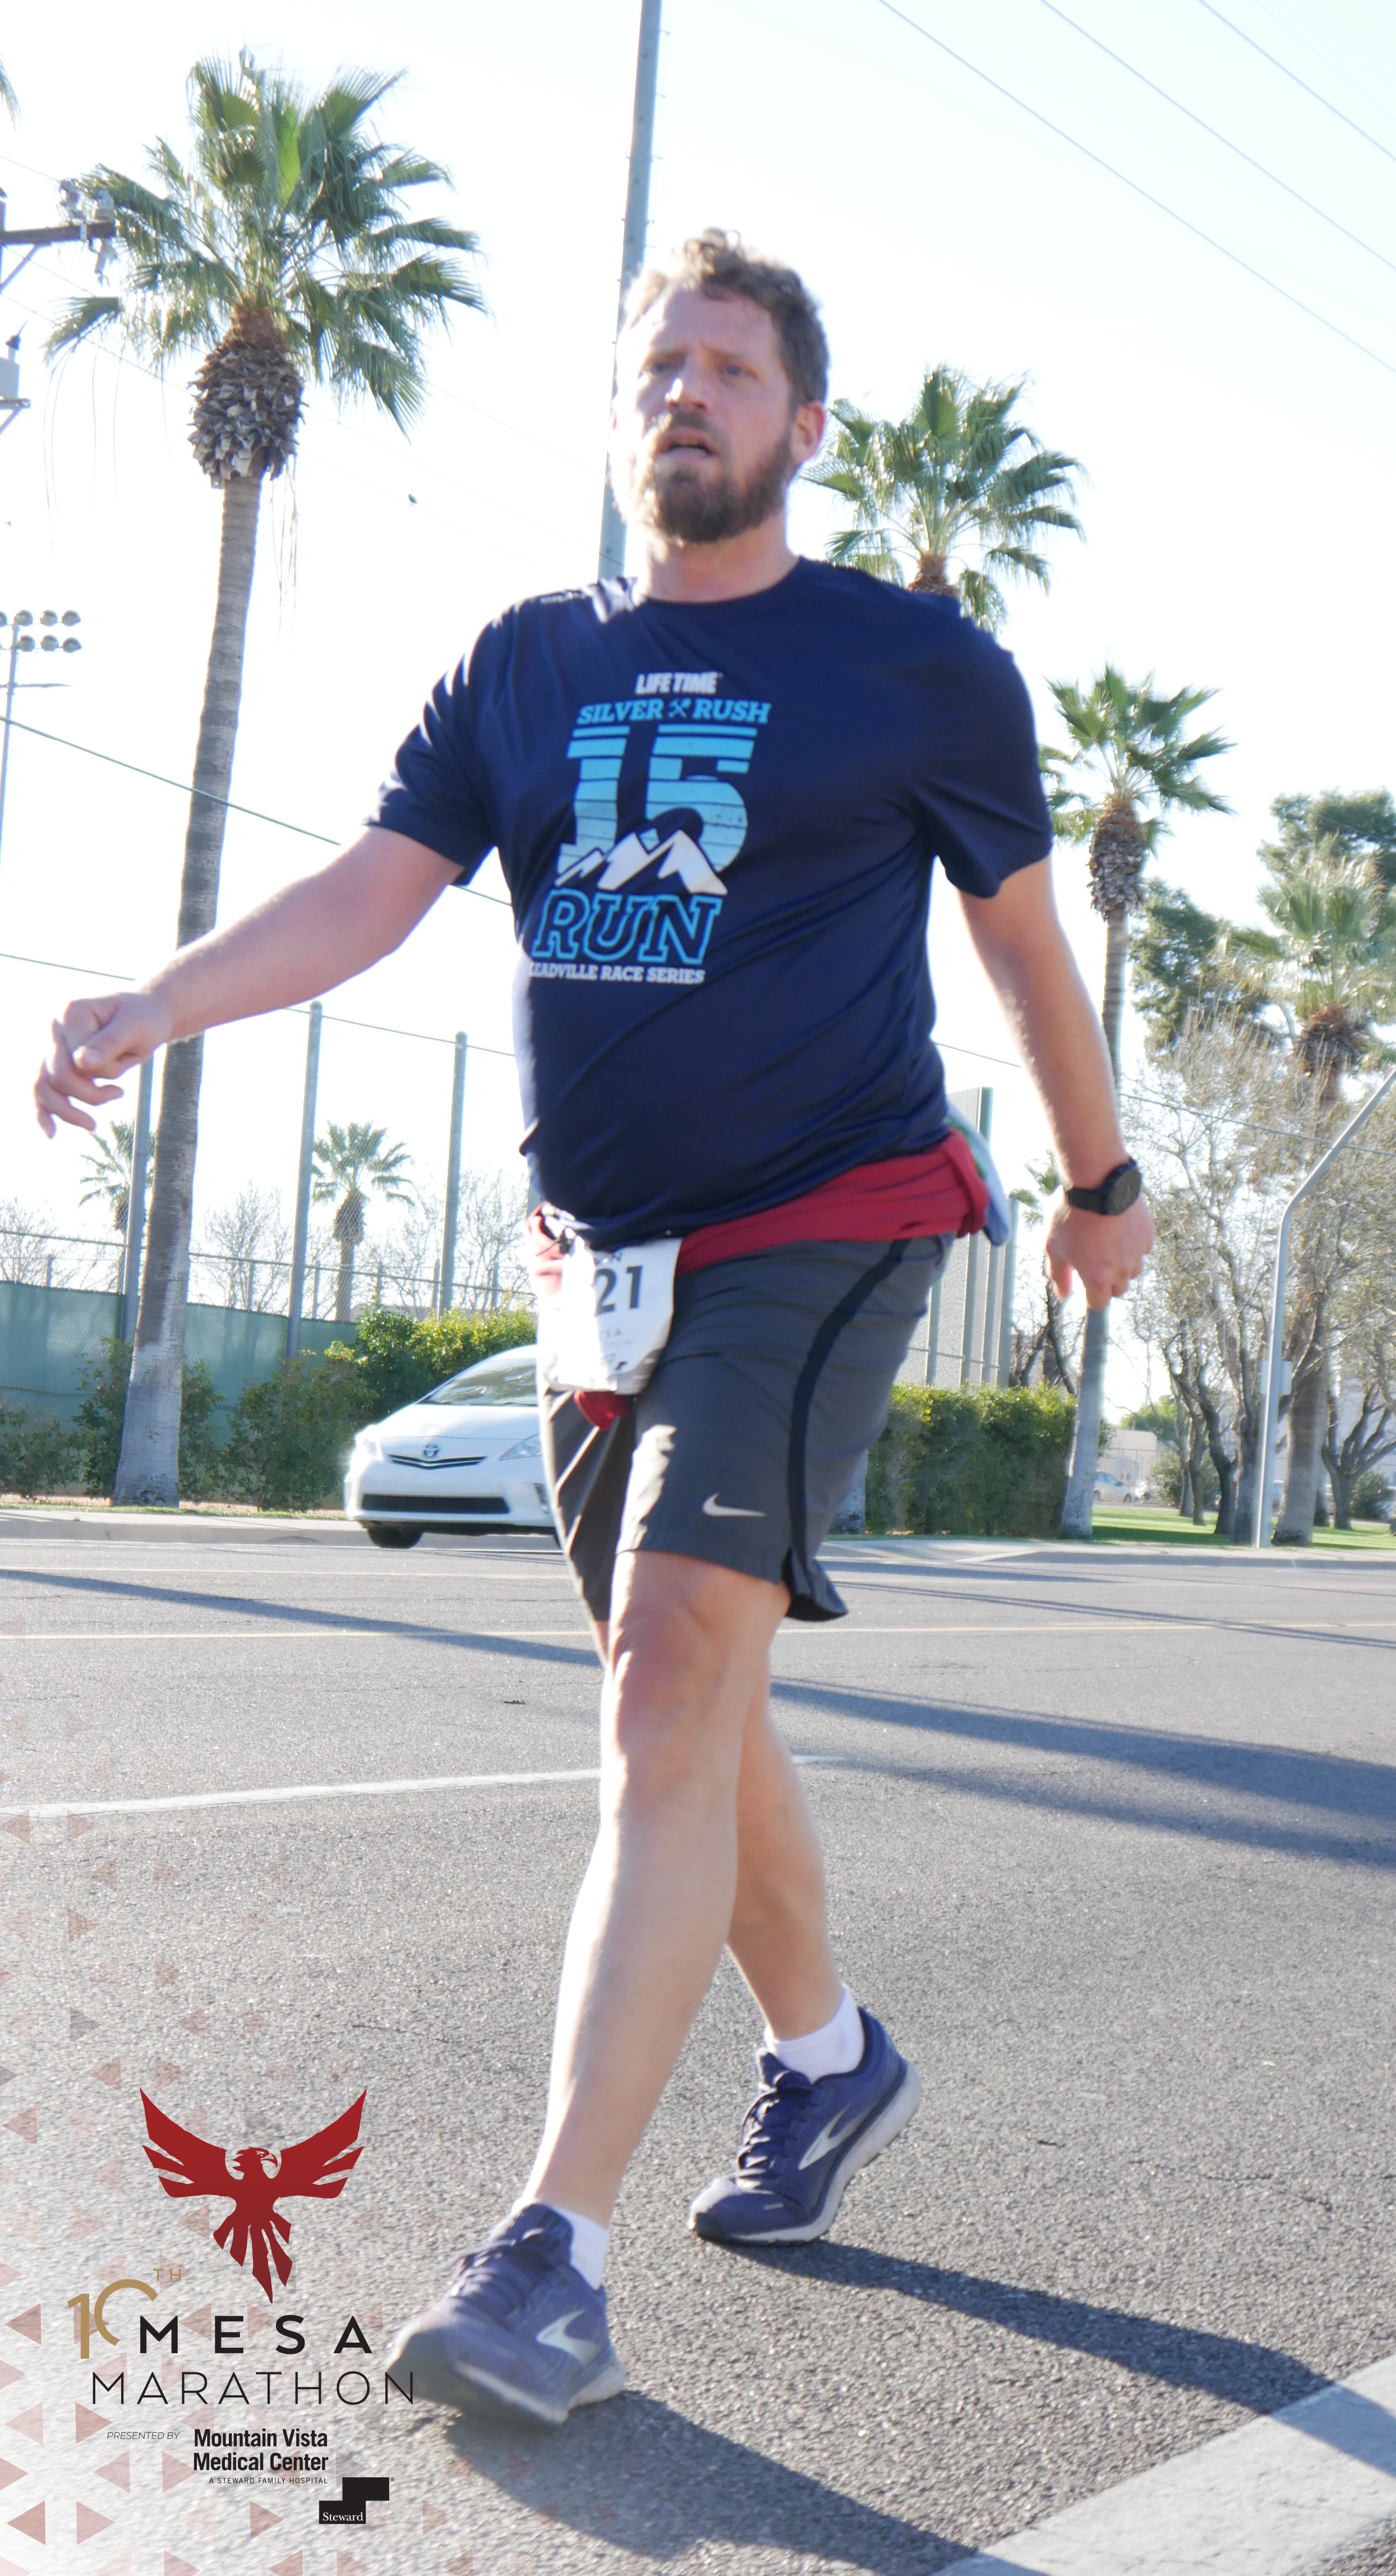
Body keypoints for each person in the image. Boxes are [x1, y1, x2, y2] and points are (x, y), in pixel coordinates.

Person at [35, 229, 1152, 2430]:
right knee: (690, 1710)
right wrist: (159, 1000)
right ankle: (828, 2057)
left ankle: (551, 2256)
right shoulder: (525, 662)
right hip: (598, 1261)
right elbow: (374, 889)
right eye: (660, 363)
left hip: (828, 1212)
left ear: (805, 423)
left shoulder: (912, 667)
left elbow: (1026, 948)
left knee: (662, 1678)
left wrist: (1100, 1188)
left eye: (729, 366)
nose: (687, 393)